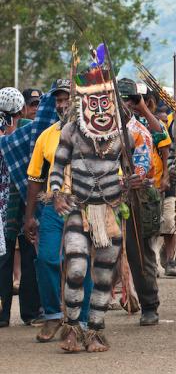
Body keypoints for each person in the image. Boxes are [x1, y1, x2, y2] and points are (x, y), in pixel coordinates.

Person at [50, 48, 151, 352]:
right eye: (93, 102)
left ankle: (95, 330)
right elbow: (57, 166)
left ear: (113, 102)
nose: (100, 108)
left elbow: (137, 167)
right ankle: (71, 329)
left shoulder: (124, 133)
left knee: (105, 275)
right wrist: (56, 193)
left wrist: (135, 180)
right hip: (79, 208)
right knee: (77, 269)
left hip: (109, 211)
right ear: (83, 103)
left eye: (105, 101)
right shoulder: (71, 130)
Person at [23, 79, 94, 342]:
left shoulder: (94, 133)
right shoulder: (48, 135)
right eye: (59, 100)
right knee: (47, 259)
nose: (62, 105)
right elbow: (34, 178)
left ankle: (82, 320)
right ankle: (53, 315)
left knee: (81, 263)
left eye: (67, 100)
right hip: (54, 205)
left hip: (86, 205)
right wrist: (30, 215)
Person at [0, 86, 58, 328]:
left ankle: (2, 315)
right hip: (26, 198)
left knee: (3, 258)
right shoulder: (28, 132)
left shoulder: (16, 133)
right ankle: (31, 312)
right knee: (28, 253)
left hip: (5, 202)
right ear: (22, 109)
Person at [118, 78, 169, 325]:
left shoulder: (139, 131)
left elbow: (140, 170)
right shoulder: (98, 130)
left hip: (136, 198)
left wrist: (127, 181)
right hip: (102, 196)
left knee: (139, 253)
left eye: (127, 100)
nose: (122, 104)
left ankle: (149, 304)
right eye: (119, 99)